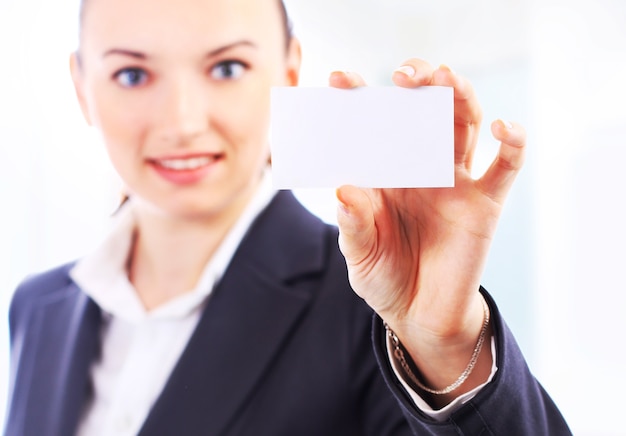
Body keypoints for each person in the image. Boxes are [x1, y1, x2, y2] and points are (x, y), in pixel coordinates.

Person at [4, 0, 571, 434]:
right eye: (132, 75)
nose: (181, 121)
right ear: (81, 87)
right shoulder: (38, 307)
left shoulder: (369, 307)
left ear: (289, 71)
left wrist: (448, 348)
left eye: (226, 68)